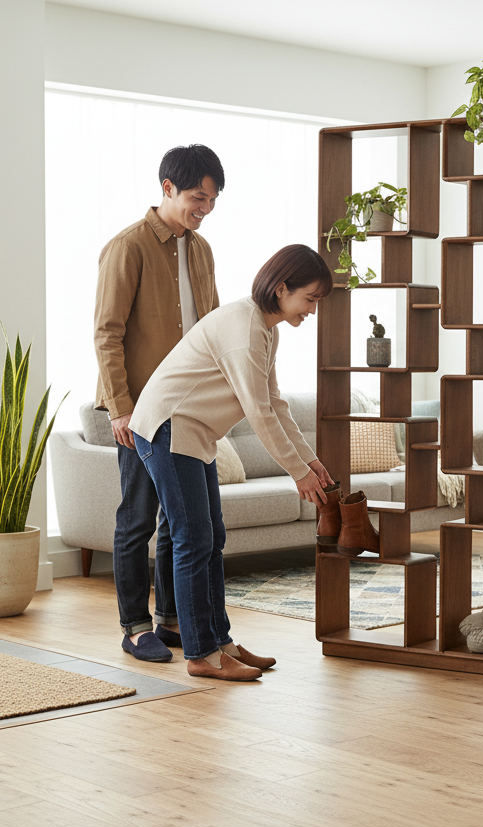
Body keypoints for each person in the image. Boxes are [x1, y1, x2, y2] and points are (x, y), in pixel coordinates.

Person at [129, 244, 335, 681]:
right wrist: (296, 472)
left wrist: (310, 461)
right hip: (168, 428)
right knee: (193, 541)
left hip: (193, 433)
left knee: (210, 538)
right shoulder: (244, 329)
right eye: (310, 299)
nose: (312, 311)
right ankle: (201, 655)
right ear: (282, 289)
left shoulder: (266, 328)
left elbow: (274, 403)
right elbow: (257, 411)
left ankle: (220, 642)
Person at [94, 144, 224, 663]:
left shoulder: (203, 249)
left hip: (190, 407)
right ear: (168, 188)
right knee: (139, 517)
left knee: (181, 521)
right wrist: (120, 407)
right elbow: (107, 333)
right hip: (140, 410)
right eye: (198, 197)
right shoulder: (127, 247)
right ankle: (133, 626)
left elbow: (212, 328)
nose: (205, 208)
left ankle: (172, 619)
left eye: (213, 199)